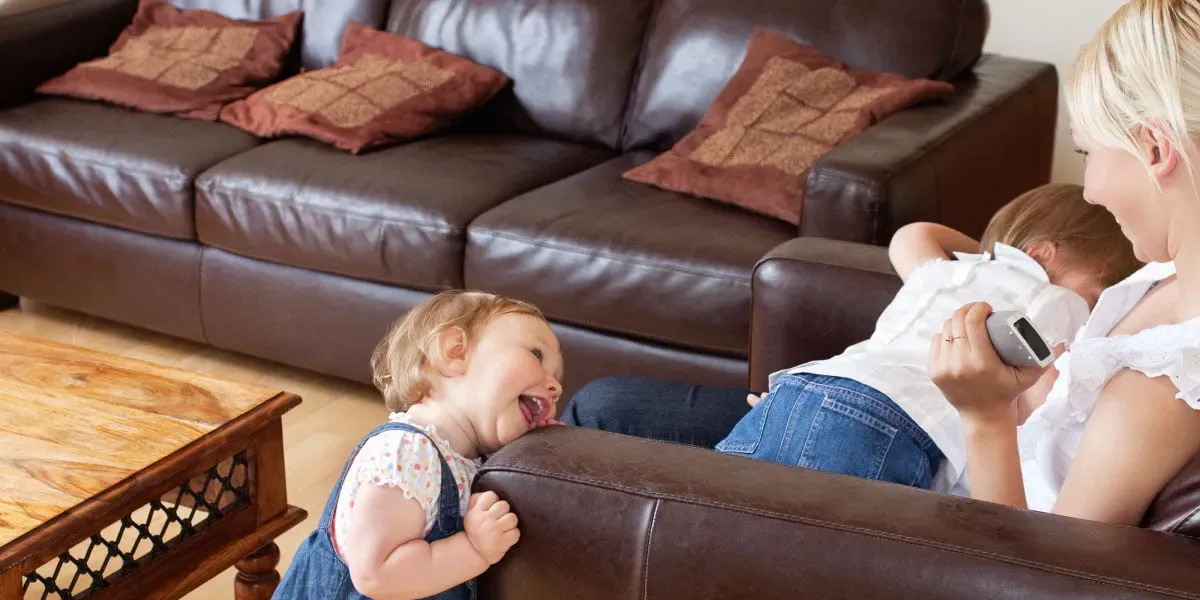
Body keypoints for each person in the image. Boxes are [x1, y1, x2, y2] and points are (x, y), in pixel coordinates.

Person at [565, 0, 1200, 525]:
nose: (1087, 189)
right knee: (600, 408)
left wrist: (983, 415)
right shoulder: (1164, 278)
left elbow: (1048, 577)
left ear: (1152, 148)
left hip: (911, 504)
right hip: (869, 421)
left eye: (1088, 155)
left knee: (574, 496)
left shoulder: (1160, 380)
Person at [713, 183, 1139, 493]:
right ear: (1043, 254)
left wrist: (989, 255)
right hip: (894, 420)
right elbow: (1038, 403)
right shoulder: (1056, 300)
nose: (1100, 305)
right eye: (1100, 291)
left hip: (802, 387)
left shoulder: (943, 273)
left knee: (717, 526)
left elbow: (913, 234)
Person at [273, 291, 563, 599]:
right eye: (536, 354)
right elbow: (376, 573)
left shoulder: (470, 459)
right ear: (455, 352)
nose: (556, 387)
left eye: (558, 378)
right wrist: (474, 548)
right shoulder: (407, 452)